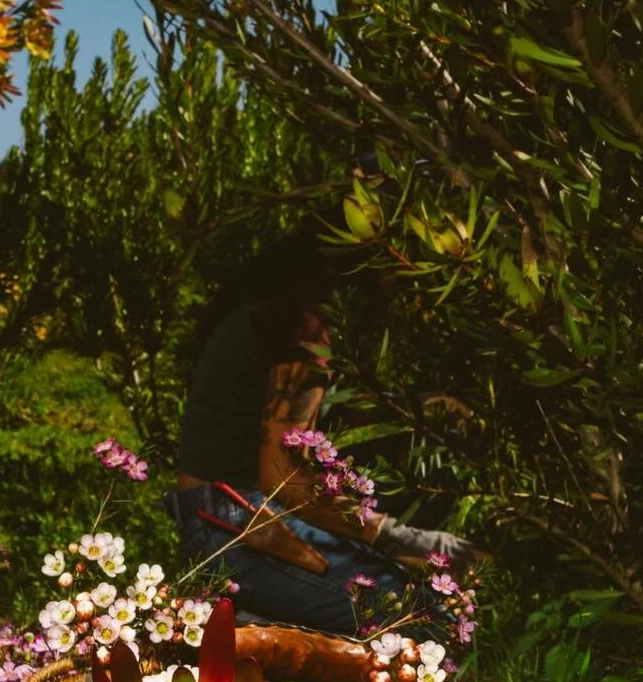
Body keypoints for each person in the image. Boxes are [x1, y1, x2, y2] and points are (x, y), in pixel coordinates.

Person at [169, 224, 470, 633]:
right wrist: (398, 539)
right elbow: (287, 483)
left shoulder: (266, 315)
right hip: (239, 526)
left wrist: (414, 411)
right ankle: (263, 621)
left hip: (220, 513)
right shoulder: (300, 330)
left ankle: (275, 616)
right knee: (428, 620)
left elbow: (297, 425)